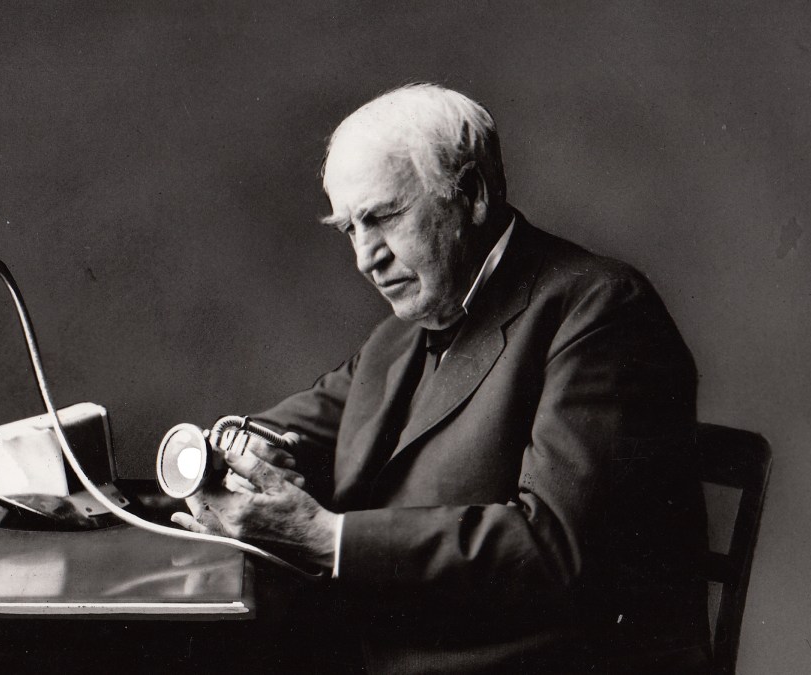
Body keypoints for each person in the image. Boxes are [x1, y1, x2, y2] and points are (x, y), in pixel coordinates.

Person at [172, 83, 711, 674]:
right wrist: (238, 455)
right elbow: (275, 431)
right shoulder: (396, 338)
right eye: (350, 228)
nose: (364, 257)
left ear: (473, 194)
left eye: (383, 217)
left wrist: (327, 536)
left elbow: (555, 548)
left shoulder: (601, 309)